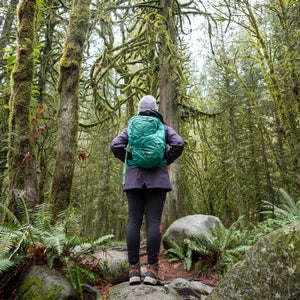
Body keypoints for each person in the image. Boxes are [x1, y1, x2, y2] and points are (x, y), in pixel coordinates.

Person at [110, 95, 184, 285]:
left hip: (134, 179)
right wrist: (165, 160)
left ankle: (133, 270)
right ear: (155, 108)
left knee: (133, 221)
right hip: (157, 179)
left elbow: (115, 145)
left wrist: (131, 160)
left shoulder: (132, 127)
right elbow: (179, 143)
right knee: (154, 221)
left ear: (140, 109)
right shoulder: (162, 127)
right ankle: (152, 271)